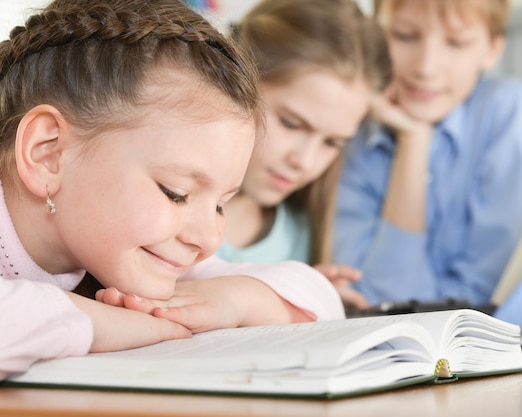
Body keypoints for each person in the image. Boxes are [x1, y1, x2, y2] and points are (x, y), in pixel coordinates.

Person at [0, 0, 344, 379]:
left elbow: (322, 300)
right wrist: (107, 324)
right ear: (48, 154)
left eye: (220, 206)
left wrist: (234, 301)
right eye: (175, 193)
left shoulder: (131, 253)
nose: (207, 241)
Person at [332, 0, 522, 307]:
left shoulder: (512, 110)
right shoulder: (350, 133)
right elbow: (377, 300)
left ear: (492, 50)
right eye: (404, 36)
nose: (426, 68)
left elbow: (498, 297)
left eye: (456, 43)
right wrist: (414, 141)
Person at [214, 0, 391, 309]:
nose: (305, 162)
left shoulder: (299, 236)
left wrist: (307, 298)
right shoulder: (160, 209)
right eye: (292, 124)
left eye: (332, 143)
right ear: (235, 78)